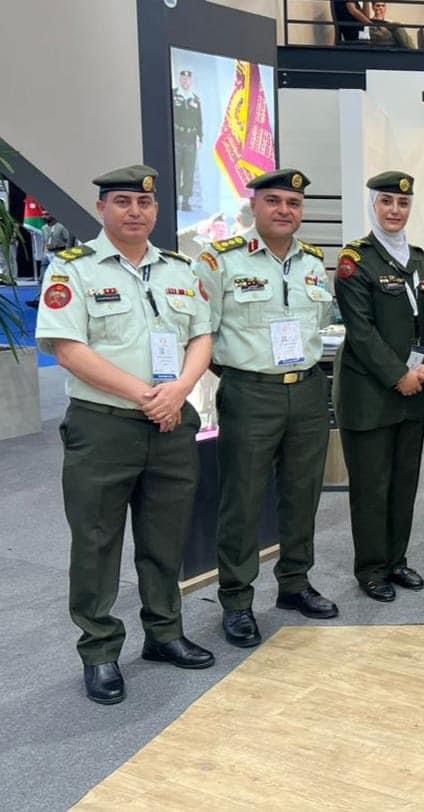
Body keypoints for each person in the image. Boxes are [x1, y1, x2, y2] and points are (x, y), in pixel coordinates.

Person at [35, 165, 215, 705]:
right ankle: (100, 650)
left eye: (144, 203)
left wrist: (178, 390)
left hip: (171, 423)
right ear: (102, 209)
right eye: (122, 202)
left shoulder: (179, 269)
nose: (135, 212)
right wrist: (146, 394)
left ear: (155, 210)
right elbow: (68, 349)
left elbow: (201, 336)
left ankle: (164, 632)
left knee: (165, 537)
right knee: (96, 541)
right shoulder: (74, 270)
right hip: (104, 425)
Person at [196, 168, 338, 648]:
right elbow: (203, 334)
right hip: (250, 392)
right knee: (243, 499)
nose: (284, 210)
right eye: (274, 201)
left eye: (293, 203)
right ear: (253, 205)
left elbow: (320, 322)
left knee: (302, 493)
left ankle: (295, 582)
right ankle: (236, 600)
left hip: (308, 390)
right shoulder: (221, 261)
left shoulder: (313, 261)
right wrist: (243, 376)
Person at [334, 171, 424, 602]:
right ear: (373, 206)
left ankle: (396, 559)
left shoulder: (419, 260)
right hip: (371, 394)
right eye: (386, 202)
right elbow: (360, 332)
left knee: (403, 482)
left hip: (414, 392)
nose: (395, 210)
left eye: (402, 203)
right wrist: (400, 375)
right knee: (371, 487)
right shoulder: (355, 261)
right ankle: (372, 568)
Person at [173, 69, 202, 212]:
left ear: (191, 81)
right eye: (183, 79)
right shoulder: (173, 95)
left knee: (189, 172)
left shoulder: (195, 99)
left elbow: (199, 120)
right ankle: (174, 199)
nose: (185, 81)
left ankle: (186, 201)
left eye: (188, 79)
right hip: (177, 137)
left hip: (191, 139)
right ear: (180, 80)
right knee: (176, 170)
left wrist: (200, 137)